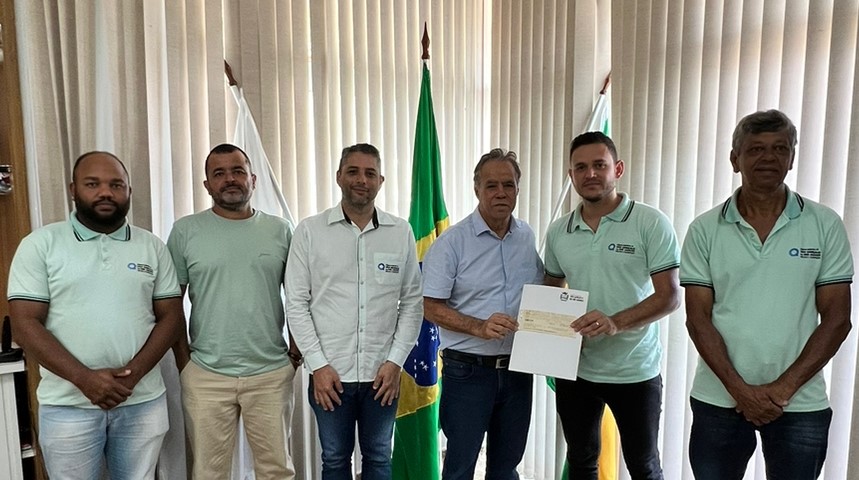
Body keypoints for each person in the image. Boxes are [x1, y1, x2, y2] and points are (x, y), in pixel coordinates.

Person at [681, 110, 853, 480]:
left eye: (780, 148)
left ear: (792, 158)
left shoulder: (825, 224)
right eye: (756, 149)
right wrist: (741, 392)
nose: (769, 157)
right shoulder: (704, 229)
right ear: (735, 159)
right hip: (719, 399)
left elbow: (838, 320)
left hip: (800, 402)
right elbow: (697, 320)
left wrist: (782, 390)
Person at [7, 151, 184, 479]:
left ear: (129, 191)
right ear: (73, 189)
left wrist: (131, 377)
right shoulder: (40, 244)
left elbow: (171, 318)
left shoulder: (152, 246)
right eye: (93, 184)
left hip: (141, 401)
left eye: (116, 185)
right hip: (68, 406)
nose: (106, 192)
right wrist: (85, 380)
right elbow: (24, 324)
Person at [543, 132, 681, 480]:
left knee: (643, 466)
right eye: (580, 167)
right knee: (581, 461)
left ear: (617, 169)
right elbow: (551, 292)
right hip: (577, 370)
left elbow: (669, 296)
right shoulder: (559, 231)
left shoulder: (650, 222)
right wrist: (548, 336)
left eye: (599, 165)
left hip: (634, 370)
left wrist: (615, 322)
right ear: (571, 175)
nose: (590, 174)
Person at [285, 143, 423, 480]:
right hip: (330, 376)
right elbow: (296, 304)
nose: (362, 180)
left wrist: (395, 362)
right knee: (335, 460)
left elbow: (412, 303)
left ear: (381, 181)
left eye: (370, 173)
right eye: (353, 172)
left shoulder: (400, 232)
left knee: (379, 458)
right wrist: (317, 365)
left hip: (382, 376)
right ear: (339, 177)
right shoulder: (310, 231)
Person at [168, 143, 300, 479]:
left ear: (253, 179)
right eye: (219, 173)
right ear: (207, 185)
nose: (230, 179)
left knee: (276, 471)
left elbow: (299, 296)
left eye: (238, 171)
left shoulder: (281, 230)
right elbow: (170, 304)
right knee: (208, 473)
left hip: (270, 373)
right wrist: (185, 363)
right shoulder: (185, 231)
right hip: (206, 373)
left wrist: (294, 355)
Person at [421, 148, 543, 480]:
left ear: (518, 189)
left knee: (506, 468)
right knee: (460, 468)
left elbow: (541, 291)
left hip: (518, 371)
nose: (501, 192)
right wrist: (478, 327)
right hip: (468, 373)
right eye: (491, 185)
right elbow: (430, 307)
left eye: (508, 184)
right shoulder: (452, 243)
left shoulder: (526, 236)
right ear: (477, 189)